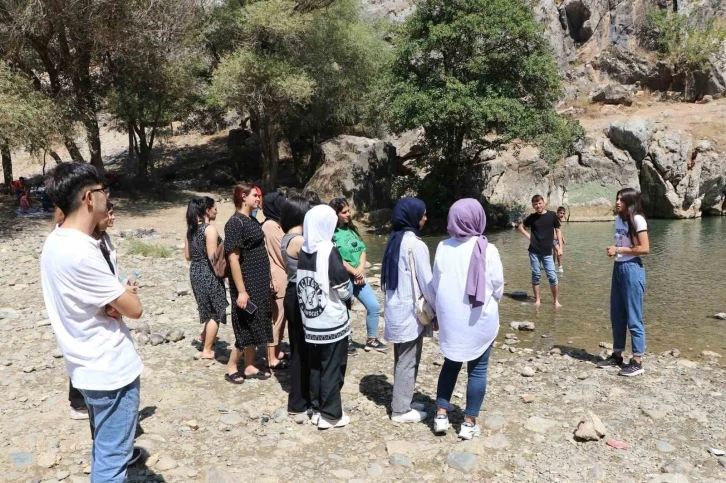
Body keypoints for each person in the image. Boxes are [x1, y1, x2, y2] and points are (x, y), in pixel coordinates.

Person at [41, 163, 143, 482]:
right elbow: (134, 309)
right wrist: (122, 296)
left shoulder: (57, 241)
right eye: (103, 191)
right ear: (89, 198)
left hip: (86, 367)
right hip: (109, 370)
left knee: (103, 448)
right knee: (113, 462)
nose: (106, 197)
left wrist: (114, 300)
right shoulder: (83, 252)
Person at [432, 199, 504, 440]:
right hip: (479, 318)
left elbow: (435, 284)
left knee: (450, 364)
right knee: (478, 370)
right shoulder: (488, 249)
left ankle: (441, 415)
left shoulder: (442, 247)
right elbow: (497, 286)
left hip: (451, 319)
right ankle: (469, 422)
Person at [296, 204, 352, 429]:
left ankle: (318, 408)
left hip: (310, 319)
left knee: (316, 366)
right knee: (332, 365)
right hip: (330, 319)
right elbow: (342, 286)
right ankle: (331, 415)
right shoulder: (329, 250)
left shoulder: (304, 249)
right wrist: (349, 293)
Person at [381, 197, 435, 424]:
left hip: (396, 310)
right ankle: (401, 410)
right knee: (408, 359)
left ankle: (405, 398)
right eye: (422, 214)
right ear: (413, 217)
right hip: (410, 313)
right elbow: (427, 284)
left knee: (403, 357)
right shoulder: (416, 245)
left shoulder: (394, 241)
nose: (425, 218)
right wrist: (438, 310)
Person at [224, 183, 275, 383]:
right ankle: (231, 366)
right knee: (246, 324)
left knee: (258, 322)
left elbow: (260, 251)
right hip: (246, 283)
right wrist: (242, 291)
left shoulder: (251, 220)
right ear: (243, 196)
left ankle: (250, 366)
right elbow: (233, 259)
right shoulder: (235, 222)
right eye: (255, 195)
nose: (258, 198)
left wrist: (270, 279)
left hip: (259, 281)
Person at [597, 188, 650, 376]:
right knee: (617, 313)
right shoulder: (619, 218)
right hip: (618, 268)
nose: (618, 202)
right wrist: (617, 251)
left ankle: (637, 361)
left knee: (634, 317)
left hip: (632, 269)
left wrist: (618, 250)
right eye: (617, 198)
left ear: (630, 201)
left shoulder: (638, 220)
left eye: (622, 199)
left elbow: (644, 248)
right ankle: (617, 355)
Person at [329, 198, 387, 354]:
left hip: (358, 277)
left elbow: (362, 249)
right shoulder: (331, 235)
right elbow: (337, 259)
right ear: (335, 214)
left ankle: (371, 340)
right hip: (343, 278)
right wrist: (354, 272)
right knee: (345, 311)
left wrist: (360, 270)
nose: (348, 214)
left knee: (374, 306)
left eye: (349, 211)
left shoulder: (352, 229)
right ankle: (346, 342)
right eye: (344, 212)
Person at [280, 196, 313, 414]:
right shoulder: (299, 240)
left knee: (297, 346)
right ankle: (300, 400)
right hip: (301, 294)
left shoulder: (286, 238)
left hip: (292, 292)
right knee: (303, 349)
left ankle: (300, 397)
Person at [184, 196, 228, 360]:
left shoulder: (190, 229)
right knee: (216, 311)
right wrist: (225, 275)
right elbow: (213, 257)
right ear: (208, 210)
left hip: (195, 271)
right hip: (208, 272)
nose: (217, 210)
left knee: (206, 307)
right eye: (214, 207)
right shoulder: (210, 229)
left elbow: (188, 256)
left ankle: (203, 336)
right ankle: (207, 350)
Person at [262, 191, 291, 370]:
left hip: (283, 275)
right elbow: (283, 252)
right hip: (278, 276)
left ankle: (277, 350)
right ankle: (271, 357)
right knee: (276, 318)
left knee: (282, 317)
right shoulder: (270, 226)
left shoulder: (277, 224)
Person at [517, 195, 563, 307]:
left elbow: (558, 231)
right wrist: (529, 236)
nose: (538, 206)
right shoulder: (532, 217)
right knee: (536, 275)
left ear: (544, 203)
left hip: (547, 252)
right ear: (533, 206)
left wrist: (560, 248)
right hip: (534, 251)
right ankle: (537, 300)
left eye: (539, 203)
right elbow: (520, 226)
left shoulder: (552, 215)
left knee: (552, 276)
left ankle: (556, 301)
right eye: (535, 204)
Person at [553, 206, 567, 273]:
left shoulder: (559, 219)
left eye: (563, 213)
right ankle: (560, 268)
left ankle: (552, 267)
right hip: (552, 238)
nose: (562, 215)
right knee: (559, 251)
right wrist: (554, 235)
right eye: (561, 213)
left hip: (557, 238)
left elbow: (558, 229)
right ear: (557, 212)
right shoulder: (554, 218)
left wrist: (562, 237)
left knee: (555, 253)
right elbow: (552, 228)